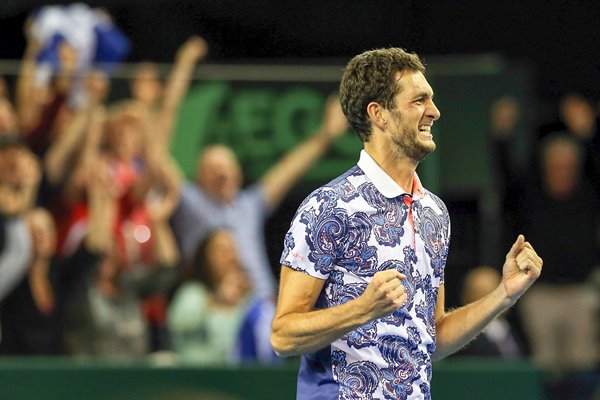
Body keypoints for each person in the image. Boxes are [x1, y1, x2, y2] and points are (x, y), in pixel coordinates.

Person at [270, 48, 543, 399]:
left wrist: (504, 294)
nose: (435, 111)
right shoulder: (327, 206)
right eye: (419, 100)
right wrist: (362, 309)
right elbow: (283, 336)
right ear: (379, 114)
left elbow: (433, 337)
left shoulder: (435, 213)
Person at [170, 94, 349, 298]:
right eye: (212, 167)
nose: (221, 172)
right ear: (199, 177)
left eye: (227, 166)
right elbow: (160, 162)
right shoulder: (190, 201)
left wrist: (327, 133)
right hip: (219, 304)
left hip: (264, 300)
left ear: (238, 173)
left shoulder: (248, 205)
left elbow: (287, 172)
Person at [168, 229, 277, 365]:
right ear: (205, 258)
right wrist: (217, 300)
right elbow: (179, 323)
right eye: (221, 251)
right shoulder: (192, 292)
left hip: (237, 378)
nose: (229, 257)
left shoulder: (249, 300)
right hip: (194, 378)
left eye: (232, 250)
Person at [453, 266, 523, 360]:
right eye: (482, 294)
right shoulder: (459, 336)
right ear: (465, 298)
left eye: (498, 291)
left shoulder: (519, 326)